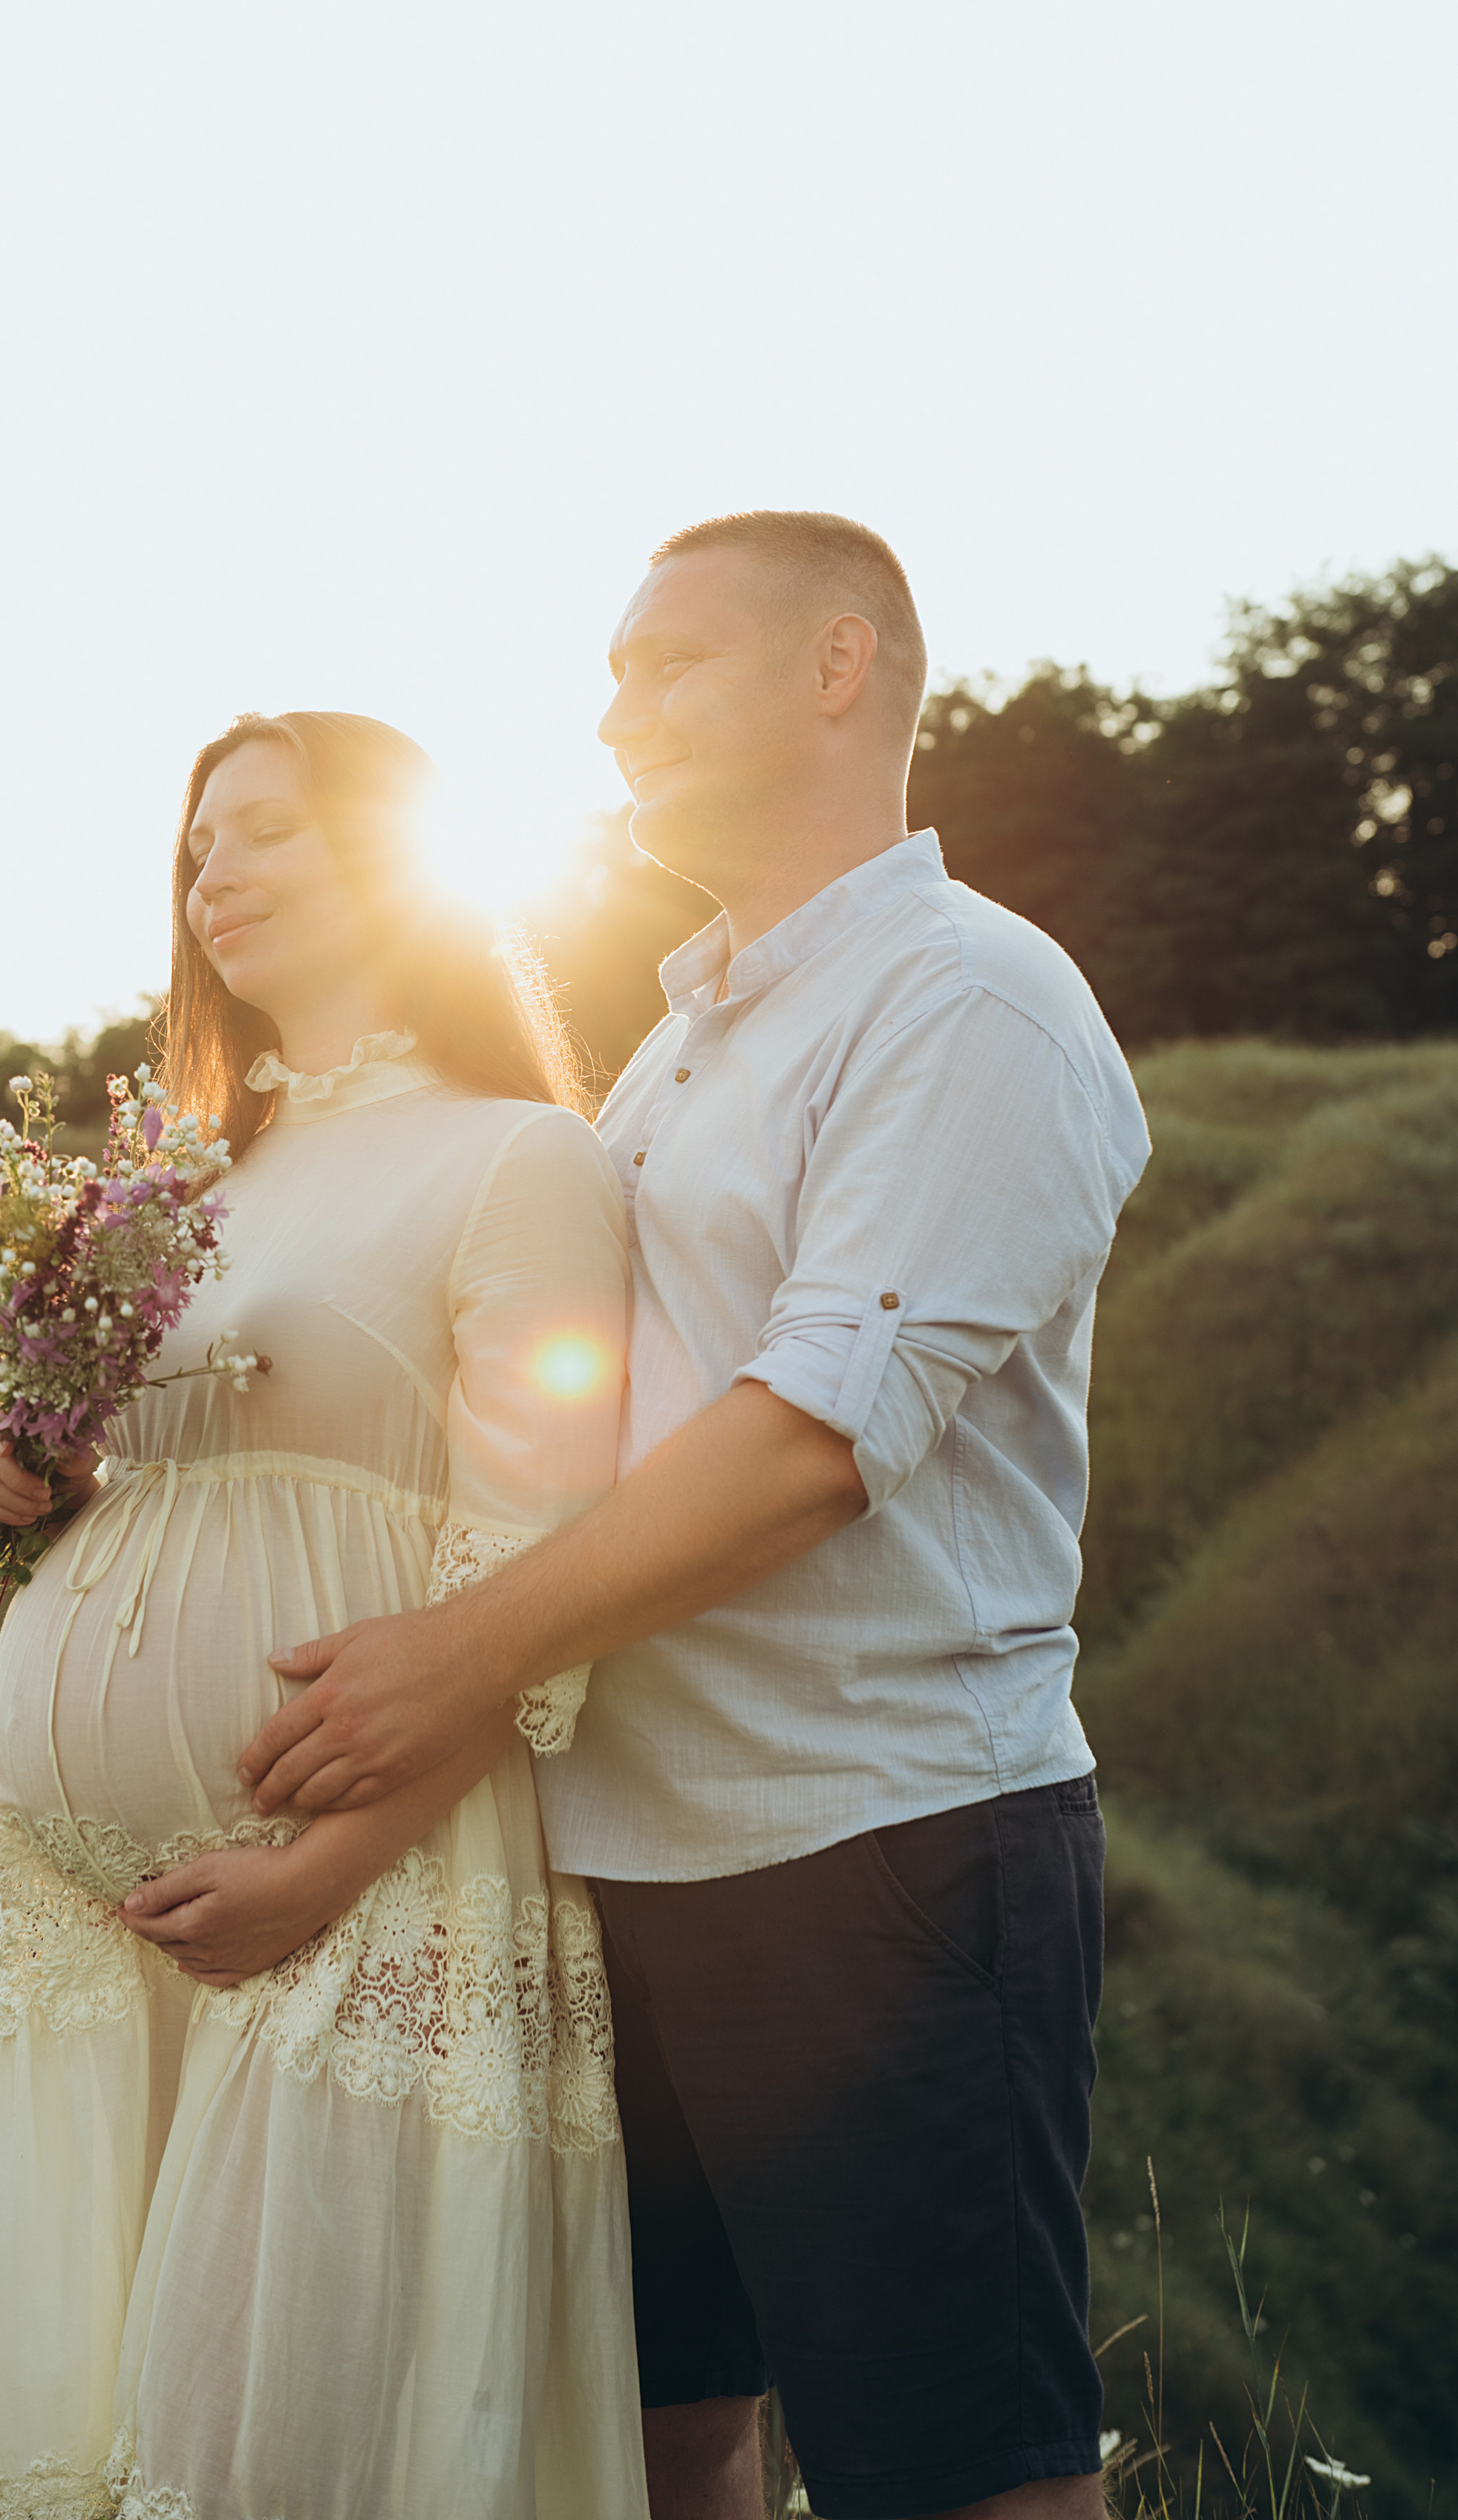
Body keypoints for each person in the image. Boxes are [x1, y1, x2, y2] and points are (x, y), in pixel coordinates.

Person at [236, 514, 1152, 2520]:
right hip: (629, 1860)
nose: (610, 708)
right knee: (663, 2436)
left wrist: (455, 1660)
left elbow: (813, 1438)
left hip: (880, 1845)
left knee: (963, 2468)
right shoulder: (674, 1043)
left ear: (840, 667)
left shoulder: (968, 1002)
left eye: (666, 665)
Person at [0, 711, 648, 2520]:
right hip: (114, 1930)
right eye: (198, 848)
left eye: (263, 832)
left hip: (356, 1881)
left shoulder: (517, 1159)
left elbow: (536, 1570)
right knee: (133, 2445)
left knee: (283, 2458)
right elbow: (153, 1479)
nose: (215, 878)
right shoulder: (180, 1189)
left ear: (399, 864)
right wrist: (21, 1471)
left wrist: (326, 1861)